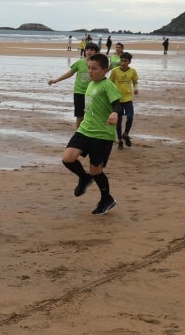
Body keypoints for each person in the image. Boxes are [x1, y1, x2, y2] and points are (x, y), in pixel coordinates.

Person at [60, 53, 121, 215]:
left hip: (102, 134)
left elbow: (118, 104)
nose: (90, 71)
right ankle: (84, 178)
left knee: (96, 170)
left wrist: (114, 113)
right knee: (68, 158)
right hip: (85, 129)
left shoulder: (108, 85)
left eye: (94, 68)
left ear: (105, 70)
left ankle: (106, 199)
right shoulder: (90, 84)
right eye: (89, 68)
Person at [48, 43, 100, 128]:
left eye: (92, 50)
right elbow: (70, 73)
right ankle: (78, 133)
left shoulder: (98, 65)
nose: (89, 52)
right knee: (79, 115)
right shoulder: (79, 62)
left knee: (91, 114)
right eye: (87, 50)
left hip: (93, 93)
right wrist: (56, 80)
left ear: (97, 52)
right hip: (79, 92)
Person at [108, 51, 138, 147]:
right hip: (117, 99)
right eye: (122, 61)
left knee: (130, 117)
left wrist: (136, 88)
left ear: (129, 62)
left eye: (125, 61)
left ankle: (126, 134)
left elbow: (135, 81)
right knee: (119, 121)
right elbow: (109, 82)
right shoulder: (115, 71)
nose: (123, 63)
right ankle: (120, 140)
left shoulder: (132, 71)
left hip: (128, 98)